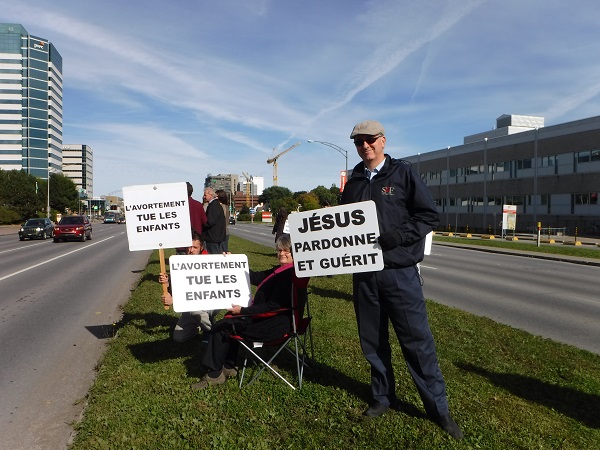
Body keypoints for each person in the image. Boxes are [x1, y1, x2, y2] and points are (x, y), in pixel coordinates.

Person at [340, 120, 463, 440]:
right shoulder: (353, 181)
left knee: (418, 344)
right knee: (373, 343)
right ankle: (382, 398)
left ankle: (438, 409)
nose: (364, 146)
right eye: (358, 142)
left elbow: (428, 216)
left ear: (382, 141)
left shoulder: (404, 174)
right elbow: (341, 227)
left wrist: (399, 237)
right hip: (365, 275)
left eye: (369, 140)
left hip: (400, 274)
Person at [192, 234, 309, 389]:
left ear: (295, 253)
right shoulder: (283, 270)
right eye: (279, 250)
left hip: (274, 325)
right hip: (274, 319)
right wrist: (234, 262)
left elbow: (273, 307)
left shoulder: (289, 275)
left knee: (222, 327)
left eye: (286, 251)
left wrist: (244, 310)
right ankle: (229, 366)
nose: (281, 253)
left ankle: (214, 375)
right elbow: (255, 277)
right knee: (228, 321)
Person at [159, 230, 215, 342]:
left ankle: (213, 331)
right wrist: (167, 283)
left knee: (196, 311)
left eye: (195, 247)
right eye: (189, 247)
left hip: (209, 303)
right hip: (189, 308)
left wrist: (227, 258)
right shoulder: (179, 264)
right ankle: (200, 324)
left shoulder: (210, 261)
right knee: (179, 338)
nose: (191, 250)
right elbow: (176, 289)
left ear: (201, 247)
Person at [176, 182, 207, 255]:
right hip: (196, 242)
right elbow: (204, 221)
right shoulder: (198, 205)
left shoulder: (177, 206)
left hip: (182, 243)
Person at [202, 187, 227, 254]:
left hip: (212, 237)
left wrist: (203, 224)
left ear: (211, 195)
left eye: (205, 195)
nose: (204, 197)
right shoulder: (216, 205)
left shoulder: (213, 206)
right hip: (217, 237)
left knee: (214, 255)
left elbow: (210, 222)